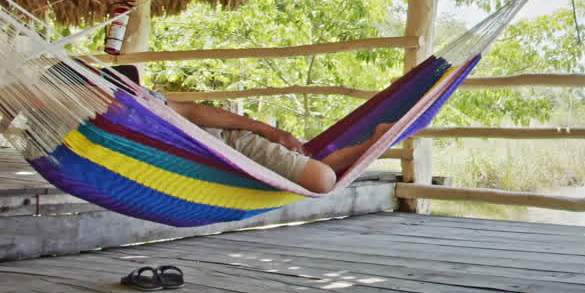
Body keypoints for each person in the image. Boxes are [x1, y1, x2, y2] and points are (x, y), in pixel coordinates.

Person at [87, 64, 391, 194]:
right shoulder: (99, 120)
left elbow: (194, 111)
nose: (135, 92)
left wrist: (267, 130)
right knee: (319, 171)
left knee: (322, 180)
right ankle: (374, 142)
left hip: (229, 146)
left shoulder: (145, 102)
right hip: (213, 160)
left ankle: (374, 142)